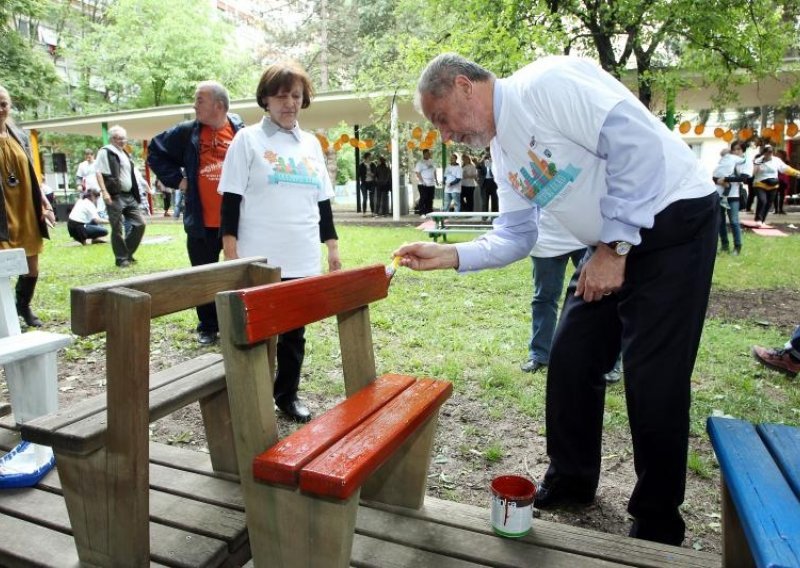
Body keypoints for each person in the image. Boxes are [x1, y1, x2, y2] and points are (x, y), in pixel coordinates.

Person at [394, 53, 719, 546]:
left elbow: (637, 143)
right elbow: (516, 235)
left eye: (442, 119)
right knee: (570, 355)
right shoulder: (503, 154)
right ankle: (572, 478)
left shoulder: (547, 85)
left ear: (464, 86)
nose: (445, 135)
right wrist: (450, 255)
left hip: (674, 223)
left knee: (654, 375)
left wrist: (613, 248)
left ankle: (658, 521)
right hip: (613, 242)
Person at [218, 61, 341, 423]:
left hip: (302, 254)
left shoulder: (311, 145)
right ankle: (249, 397)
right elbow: (230, 199)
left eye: (296, 95)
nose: (289, 102)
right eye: (281, 95)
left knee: (293, 334)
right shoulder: (247, 140)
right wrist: (231, 251)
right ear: (266, 99)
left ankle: (286, 395)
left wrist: (331, 246)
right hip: (261, 257)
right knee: (256, 332)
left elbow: (322, 201)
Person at [148, 80, 245, 345]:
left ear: (219, 105)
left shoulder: (241, 132)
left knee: (237, 274)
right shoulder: (187, 132)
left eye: (199, 100)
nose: (194, 105)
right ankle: (208, 326)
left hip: (236, 223)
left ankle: (239, 322)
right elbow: (155, 151)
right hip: (201, 222)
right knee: (203, 275)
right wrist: (179, 181)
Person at [0, 85, 55, 327]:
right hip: (3, 211)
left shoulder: (18, 135)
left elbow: (32, 172)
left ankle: (22, 306)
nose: (0, 109)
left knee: (31, 265)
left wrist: (43, 200)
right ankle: (5, 317)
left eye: (4, 103)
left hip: (25, 205)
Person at [521, 210, 586, 374]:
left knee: (599, 298)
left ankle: (609, 360)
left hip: (588, 235)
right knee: (544, 298)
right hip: (547, 235)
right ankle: (540, 354)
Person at [94, 125, 146, 268]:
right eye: (118, 138)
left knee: (140, 224)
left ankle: (127, 253)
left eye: (124, 138)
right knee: (117, 228)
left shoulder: (124, 153)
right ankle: (121, 258)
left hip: (129, 195)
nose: (122, 141)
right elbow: (98, 172)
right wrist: (104, 192)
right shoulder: (106, 152)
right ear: (112, 139)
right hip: (114, 195)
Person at [752, 144, 800, 227]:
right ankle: (758, 219)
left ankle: (762, 221)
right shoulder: (758, 160)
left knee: (769, 203)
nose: (769, 154)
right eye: (767, 152)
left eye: (771, 152)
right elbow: (752, 172)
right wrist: (755, 169)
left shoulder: (776, 160)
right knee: (762, 200)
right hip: (760, 184)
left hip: (773, 185)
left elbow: (785, 169)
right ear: (764, 153)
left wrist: (796, 173)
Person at [713, 141, 747, 255]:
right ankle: (724, 245)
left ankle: (737, 247)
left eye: (739, 149)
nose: (736, 151)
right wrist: (719, 181)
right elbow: (715, 176)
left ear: (743, 150)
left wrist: (726, 180)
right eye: (734, 149)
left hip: (734, 196)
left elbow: (743, 178)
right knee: (720, 221)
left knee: (734, 221)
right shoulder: (726, 159)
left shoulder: (744, 163)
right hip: (720, 194)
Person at [414, 148, 437, 215]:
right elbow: (417, 173)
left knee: (430, 198)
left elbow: (434, 170)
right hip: (423, 184)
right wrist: (422, 181)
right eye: (427, 153)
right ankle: (421, 211)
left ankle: (429, 210)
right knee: (424, 197)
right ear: (424, 154)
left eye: (429, 153)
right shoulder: (420, 163)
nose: (429, 155)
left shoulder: (432, 161)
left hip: (431, 183)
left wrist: (436, 179)